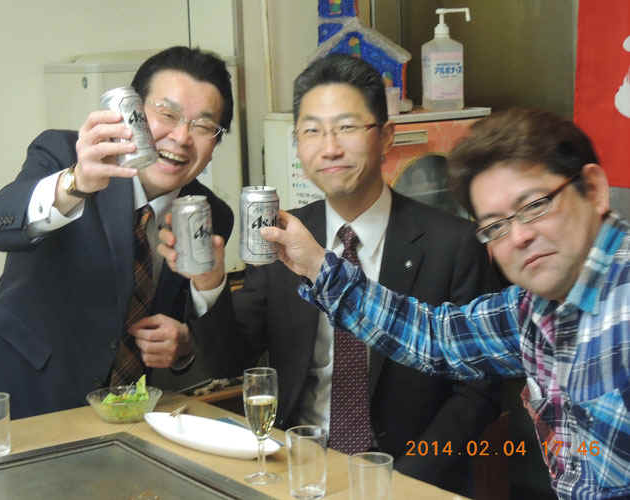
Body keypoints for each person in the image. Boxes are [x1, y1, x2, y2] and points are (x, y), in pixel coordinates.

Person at [159, 53, 501, 496]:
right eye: (312, 131)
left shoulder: (453, 244)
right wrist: (208, 282)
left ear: (386, 137)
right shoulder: (280, 235)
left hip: (408, 475)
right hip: (298, 469)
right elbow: (229, 361)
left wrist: (402, 479)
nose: (330, 148)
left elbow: (478, 391)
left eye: (347, 127)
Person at [263, 108, 630, 499]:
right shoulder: (536, 308)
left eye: (536, 205)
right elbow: (436, 337)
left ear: (593, 189)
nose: (519, 236)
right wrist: (317, 265)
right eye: (496, 226)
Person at [0, 46, 237, 427]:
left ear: (216, 142)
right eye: (167, 114)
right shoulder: (64, 154)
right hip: (17, 406)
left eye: (203, 126)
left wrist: (186, 342)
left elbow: (220, 353)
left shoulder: (212, 214)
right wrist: (75, 182)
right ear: (133, 112)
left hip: (123, 423)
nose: (180, 137)